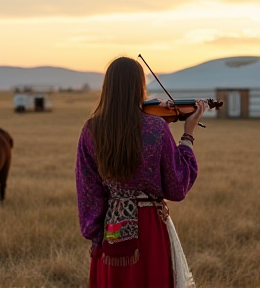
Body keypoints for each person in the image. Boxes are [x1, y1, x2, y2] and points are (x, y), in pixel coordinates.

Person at [76, 56, 208, 288]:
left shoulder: (91, 130)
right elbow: (177, 187)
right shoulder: (156, 128)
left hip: (111, 229)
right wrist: (188, 134)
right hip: (150, 227)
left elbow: (88, 192)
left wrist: (98, 238)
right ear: (140, 86)